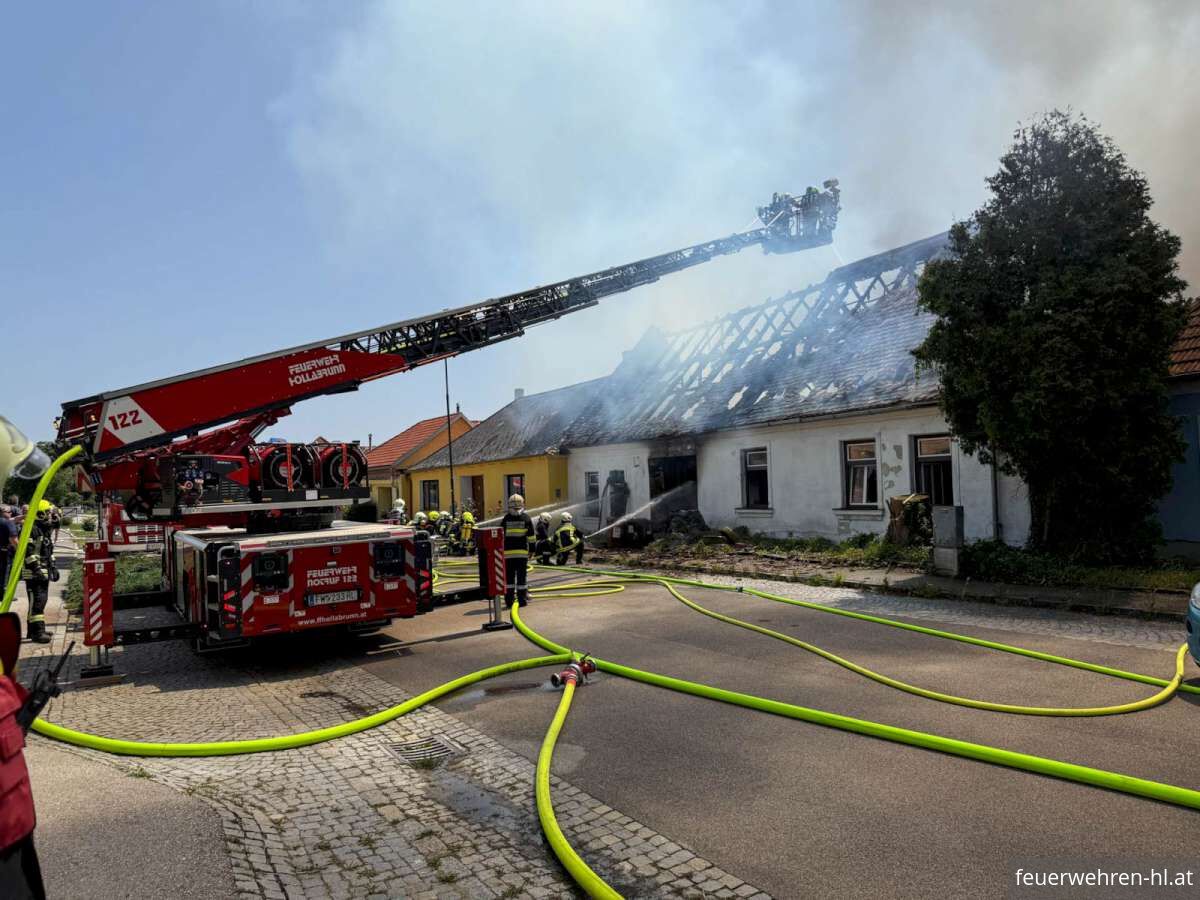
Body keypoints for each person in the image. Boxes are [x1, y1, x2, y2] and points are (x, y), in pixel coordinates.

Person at [21, 502, 54, 644]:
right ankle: (38, 633)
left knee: (41, 600)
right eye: (47, 512)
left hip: (42, 571)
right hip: (33, 573)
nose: (50, 515)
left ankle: (33, 631)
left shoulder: (43, 529)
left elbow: (46, 550)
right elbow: (28, 552)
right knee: (37, 601)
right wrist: (36, 568)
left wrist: (53, 566)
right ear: (39, 514)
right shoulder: (31, 529)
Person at [500, 494, 533, 608]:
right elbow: (531, 537)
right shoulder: (526, 518)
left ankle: (509, 601)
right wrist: (532, 551)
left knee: (509, 579)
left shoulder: (506, 519)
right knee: (521, 578)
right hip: (522, 555)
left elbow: (500, 536)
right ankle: (522, 601)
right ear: (522, 504)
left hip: (508, 555)